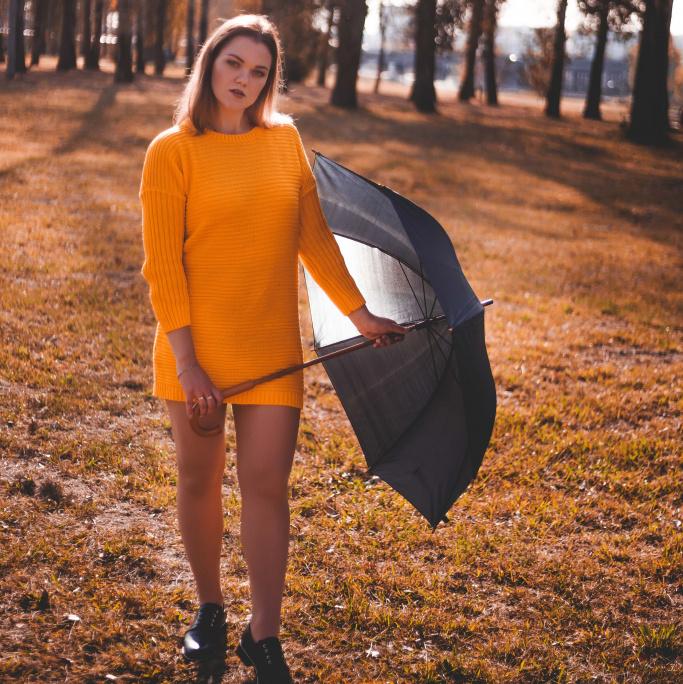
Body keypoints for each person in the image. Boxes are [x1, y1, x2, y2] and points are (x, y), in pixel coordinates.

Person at [139, 13, 407, 683]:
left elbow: (313, 238)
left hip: (270, 348)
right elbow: (162, 268)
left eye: (258, 72)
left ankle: (264, 635)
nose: (244, 80)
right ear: (210, 63)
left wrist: (359, 315)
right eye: (234, 63)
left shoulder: (285, 141)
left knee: (267, 488)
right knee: (199, 479)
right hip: (195, 351)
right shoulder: (171, 151)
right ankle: (209, 609)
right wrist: (188, 364)